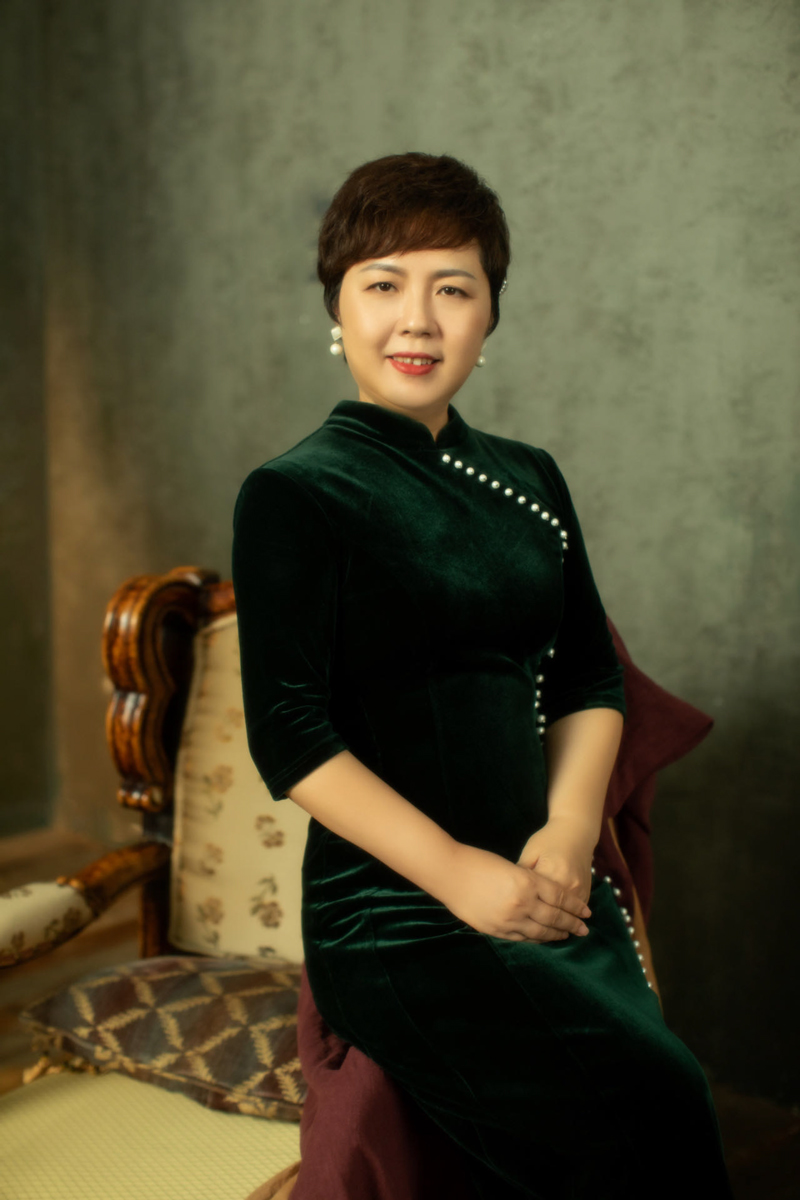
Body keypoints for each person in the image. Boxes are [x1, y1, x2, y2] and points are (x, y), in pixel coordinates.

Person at [231, 152, 733, 1199]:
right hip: (392, 910)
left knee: (663, 1094)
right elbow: (290, 734)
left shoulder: (529, 477)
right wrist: (460, 874)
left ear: (489, 315)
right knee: (647, 1107)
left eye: (452, 289)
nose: (416, 320)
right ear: (337, 309)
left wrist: (567, 833)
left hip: (548, 875)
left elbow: (588, 676)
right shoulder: (294, 494)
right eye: (383, 285)